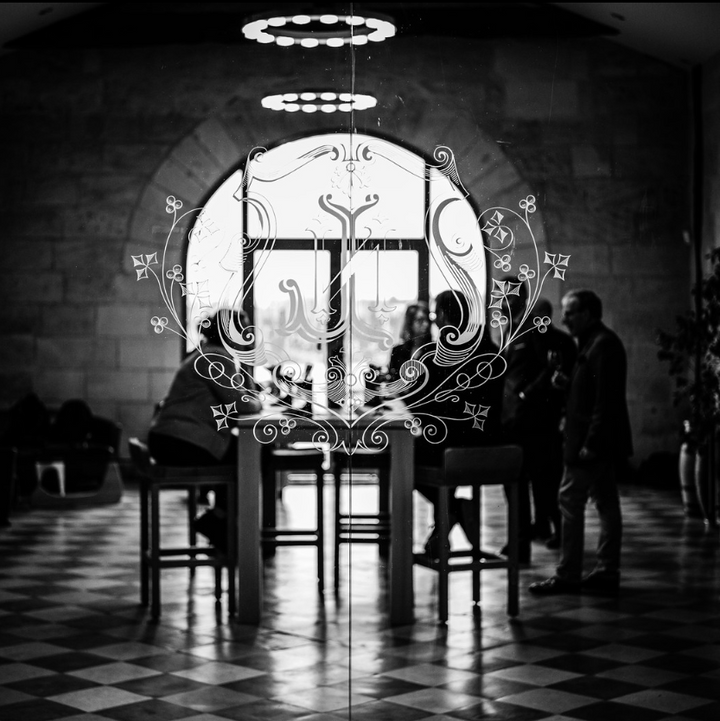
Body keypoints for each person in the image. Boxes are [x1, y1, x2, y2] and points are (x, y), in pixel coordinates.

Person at [529, 289, 632, 595]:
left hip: (590, 443)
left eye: (570, 312)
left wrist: (591, 443)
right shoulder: (593, 342)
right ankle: (606, 570)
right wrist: (568, 384)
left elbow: (606, 402)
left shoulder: (604, 345)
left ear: (588, 313)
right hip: (592, 440)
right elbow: (590, 392)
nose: (564, 319)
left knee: (570, 501)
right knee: (605, 502)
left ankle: (568, 574)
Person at [148, 309, 261, 545]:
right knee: (251, 456)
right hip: (180, 442)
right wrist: (257, 401)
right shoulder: (215, 358)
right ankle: (227, 529)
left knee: (242, 453)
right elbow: (243, 403)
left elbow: (239, 396)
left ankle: (220, 523)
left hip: (170, 439)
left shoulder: (209, 354)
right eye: (244, 331)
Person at [412, 290, 504, 554]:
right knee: (431, 447)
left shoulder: (445, 351)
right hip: (490, 442)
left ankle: (453, 511)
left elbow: (428, 405)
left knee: (403, 457)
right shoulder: (488, 347)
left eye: (435, 314)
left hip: (455, 443)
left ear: (443, 315)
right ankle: (447, 520)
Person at [501, 291, 576, 561]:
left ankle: (528, 541)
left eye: (506, 298)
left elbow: (549, 368)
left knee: (542, 482)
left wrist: (524, 396)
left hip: (532, 421)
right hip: (514, 420)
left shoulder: (534, 329)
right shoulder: (511, 328)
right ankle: (520, 542)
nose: (500, 303)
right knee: (517, 484)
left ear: (520, 301)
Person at [387, 302, 432, 382]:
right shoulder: (398, 351)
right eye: (420, 320)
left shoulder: (433, 350)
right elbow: (393, 381)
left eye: (427, 320)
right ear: (410, 323)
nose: (426, 324)